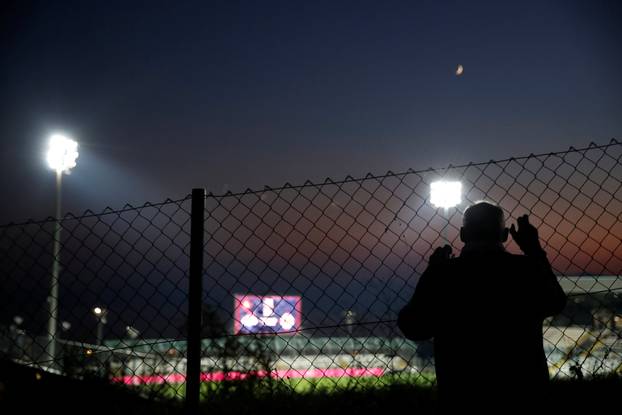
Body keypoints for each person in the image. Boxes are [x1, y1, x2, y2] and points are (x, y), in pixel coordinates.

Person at [398, 201, 566, 412]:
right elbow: (556, 302)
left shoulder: (446, 275)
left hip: (463, 394)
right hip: (524, 393)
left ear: (462, 234)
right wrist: (534, 250)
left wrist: (431, 273)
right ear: (505, 235)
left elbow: (413, 326)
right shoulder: (525, 269)